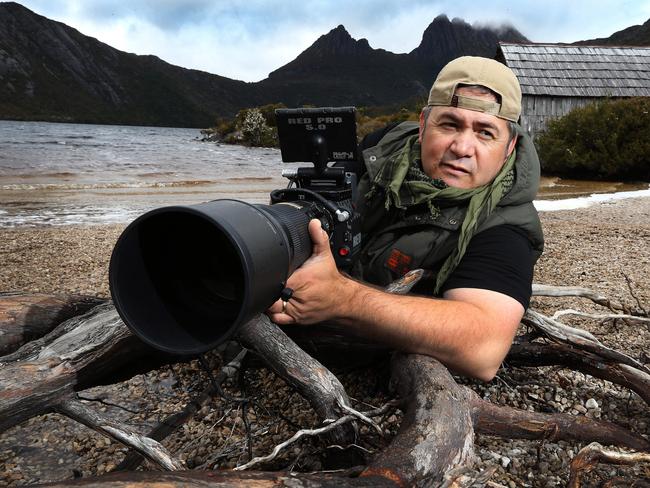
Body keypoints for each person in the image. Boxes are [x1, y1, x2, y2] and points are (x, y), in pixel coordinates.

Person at [267, 56, 544, 382]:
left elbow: (484, 347)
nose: (462, 147)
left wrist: (342, 298)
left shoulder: (506, 225)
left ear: (510, 146)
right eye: (450, 124)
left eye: (485, 133)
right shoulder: (383, 148)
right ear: (423, 124)